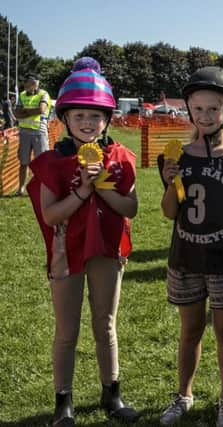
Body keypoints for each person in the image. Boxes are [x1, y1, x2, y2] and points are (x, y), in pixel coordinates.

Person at [26, 60, 139, 426]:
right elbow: (51, 215)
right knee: (67, 331)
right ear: (65, 118)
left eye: (95, 116)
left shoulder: (119, 158)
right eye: (79, 116)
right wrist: (82, 190)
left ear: (107, 118)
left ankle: (113, 393)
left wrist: (103, 186)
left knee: (106, 324)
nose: (88, 124)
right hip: (66, 252)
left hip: (107, 249)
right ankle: (64, 402)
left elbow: (131, 207)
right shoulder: (51, 162)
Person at [157, 66, 223, 427]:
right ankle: (184, 393)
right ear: (189, 109)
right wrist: (171, 182)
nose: (204, 116)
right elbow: (170, 212)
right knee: (190, 331)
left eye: (212, 109)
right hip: (186, 257)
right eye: (198, 109)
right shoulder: (176, 154)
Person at [14, 74, 50, 195]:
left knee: (41, 162)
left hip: (39, 131)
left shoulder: (43, 94)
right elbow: (16, 114)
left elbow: (41, 110)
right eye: (25, 83)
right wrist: (30, 112)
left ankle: (41, 187)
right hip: (24, 132)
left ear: (35, 83)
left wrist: (24, 111)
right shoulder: (22, 95)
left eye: (28, 83)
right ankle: (21, 189)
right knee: (23, 162)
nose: (26, 85)